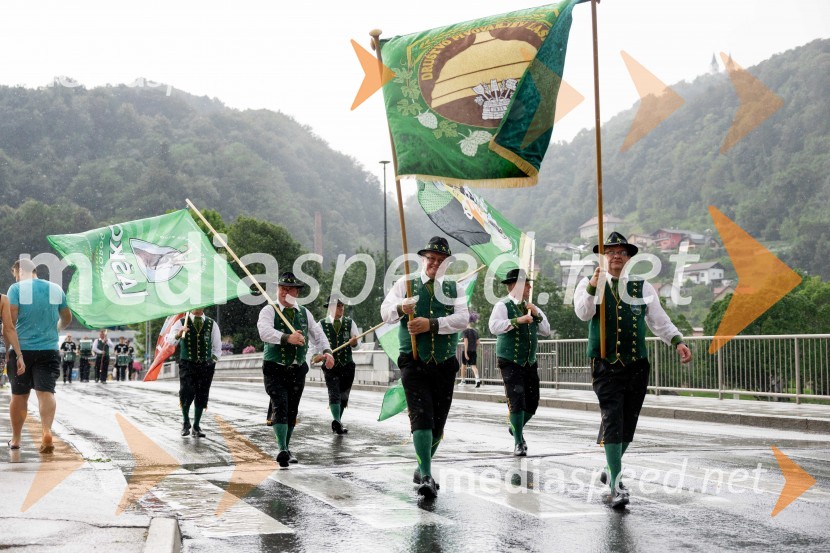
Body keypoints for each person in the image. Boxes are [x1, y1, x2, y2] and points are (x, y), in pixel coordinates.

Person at [574, 232, 692, 509]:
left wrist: (677, 341)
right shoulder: (588, 283)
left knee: (628, 422)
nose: (616, 256)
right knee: (613, 420)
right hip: (604, 364)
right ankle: (615, 484)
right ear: (603, 257)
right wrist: (593, 285)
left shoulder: (642, 287)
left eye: (621, 252)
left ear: (629, 258)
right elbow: (583, 313)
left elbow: (658, 320)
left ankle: (609, 466)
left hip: (637, 364)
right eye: (611, 252)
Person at [380, 236, 468, 498]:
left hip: (443, 364)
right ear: (423, 259)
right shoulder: (405, 284)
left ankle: (422, 465)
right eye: (431, 259)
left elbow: (463, 318)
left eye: (441, 261)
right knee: (422, 417)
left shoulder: (455, 289)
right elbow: (385, 313)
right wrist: (400, 306)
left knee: (439, 423)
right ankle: (426, 476)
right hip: (414, 363)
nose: (435, 264)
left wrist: (431, 324)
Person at [258, 271, 334, 468]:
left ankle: (286, 447)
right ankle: (282, 448)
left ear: (297, 292)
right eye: (282, 288)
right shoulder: (269, 310)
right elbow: (264, 332)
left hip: (297, 368)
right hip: (274, 367)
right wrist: (287, 338)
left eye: (290, 289)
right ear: (278, 290)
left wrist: (327, 351)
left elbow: (318, 334)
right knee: (280, 405)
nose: (285, 292)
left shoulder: (304, 313)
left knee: (292, 408)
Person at [7, 258, 71, 453]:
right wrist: (56, 329)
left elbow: (12, 320)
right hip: (49, 349)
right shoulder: (55, 289)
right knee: (45, 393)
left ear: (19, 271)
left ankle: (16, 439)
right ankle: (46, 431)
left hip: (22, 351)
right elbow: (66, 317)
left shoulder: (16, 290)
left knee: (19, 396)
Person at [488, 268, 551, 457]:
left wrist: (535, 315)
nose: (529, 287)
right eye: (526, 284)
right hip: (509, 359)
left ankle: (515, 426)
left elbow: (546, 331)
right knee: (516, 401)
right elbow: (494, 327)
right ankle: (519, 442)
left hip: (529, 360)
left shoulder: (531, 306)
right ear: (514, 286)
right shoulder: (502, 305)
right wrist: (518, 320)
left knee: (532, 403)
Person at [166, 308, 222, 437]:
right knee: (186, 391)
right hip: (187, 363)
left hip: (206, 364)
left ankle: (196, 426)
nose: (197, 308)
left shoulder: (211, 323)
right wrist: (178, 334)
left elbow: (217, 346)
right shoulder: (181, 322)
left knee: (202, 393)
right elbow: (170, 340)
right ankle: (186, 422)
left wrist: (212, 360)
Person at [319, 295, 360, 435]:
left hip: (347, 364)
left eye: (342, 306)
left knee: (343, 395)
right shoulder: (321, 324)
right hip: (331, 365)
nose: (341, 308)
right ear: (330, 308)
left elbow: (357, 345)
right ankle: (336, 420)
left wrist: (354, 342)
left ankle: (338, 422)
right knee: (334, 393)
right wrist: (317, 355)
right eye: (338, 306)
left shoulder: (350, 323)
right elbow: (316, 344)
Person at [459, 314, 481, 387]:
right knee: (473, 366)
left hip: (466, 351)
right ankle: (477, 379)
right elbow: (478, 342)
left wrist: (465, 353)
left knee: (463, 366)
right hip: (473, 351)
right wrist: (474, 348)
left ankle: (463, 381)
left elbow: (466, 342)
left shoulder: (465, 331)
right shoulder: (475, 331)